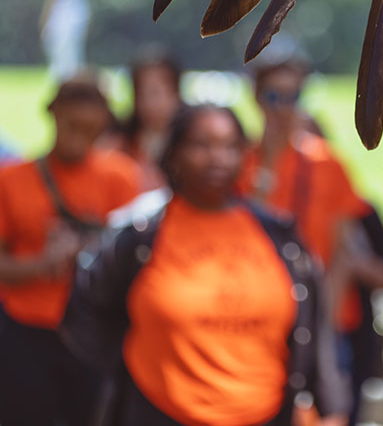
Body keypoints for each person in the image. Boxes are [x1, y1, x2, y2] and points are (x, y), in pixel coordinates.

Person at [61, 104, 349, 426]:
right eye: (201, 145)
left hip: (265, 413)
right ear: (173, 153)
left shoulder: (281, 238)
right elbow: (88, 311)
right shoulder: (140, 239)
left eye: (229, 147)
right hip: (160, 412)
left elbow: (316, 326)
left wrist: (330, 407)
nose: (217, 158)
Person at [237, 41, 383, 425]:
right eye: (274, 96)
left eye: (293, 96)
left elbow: (343, 246)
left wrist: (322, 319)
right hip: (259, 317)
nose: (283, 107)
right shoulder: (240, 163)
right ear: (257, 99)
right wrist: (271, 159)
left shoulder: (326, 162)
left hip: (326, 320)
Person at [0, 76, 141, 426]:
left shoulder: (121, 178)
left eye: (92, 130)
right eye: (73, 126)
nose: (80, 138)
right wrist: (41, 263)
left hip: (93, 331)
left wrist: (87, 250)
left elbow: (135, 263)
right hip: (27, 327)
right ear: (53, 114)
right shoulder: (12, 179)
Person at [120, 50, 184, 191]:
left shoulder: (191, 141)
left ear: (175, 93)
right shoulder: (119, 143)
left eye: (154, 93)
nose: (147, 102)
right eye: (140, 93)